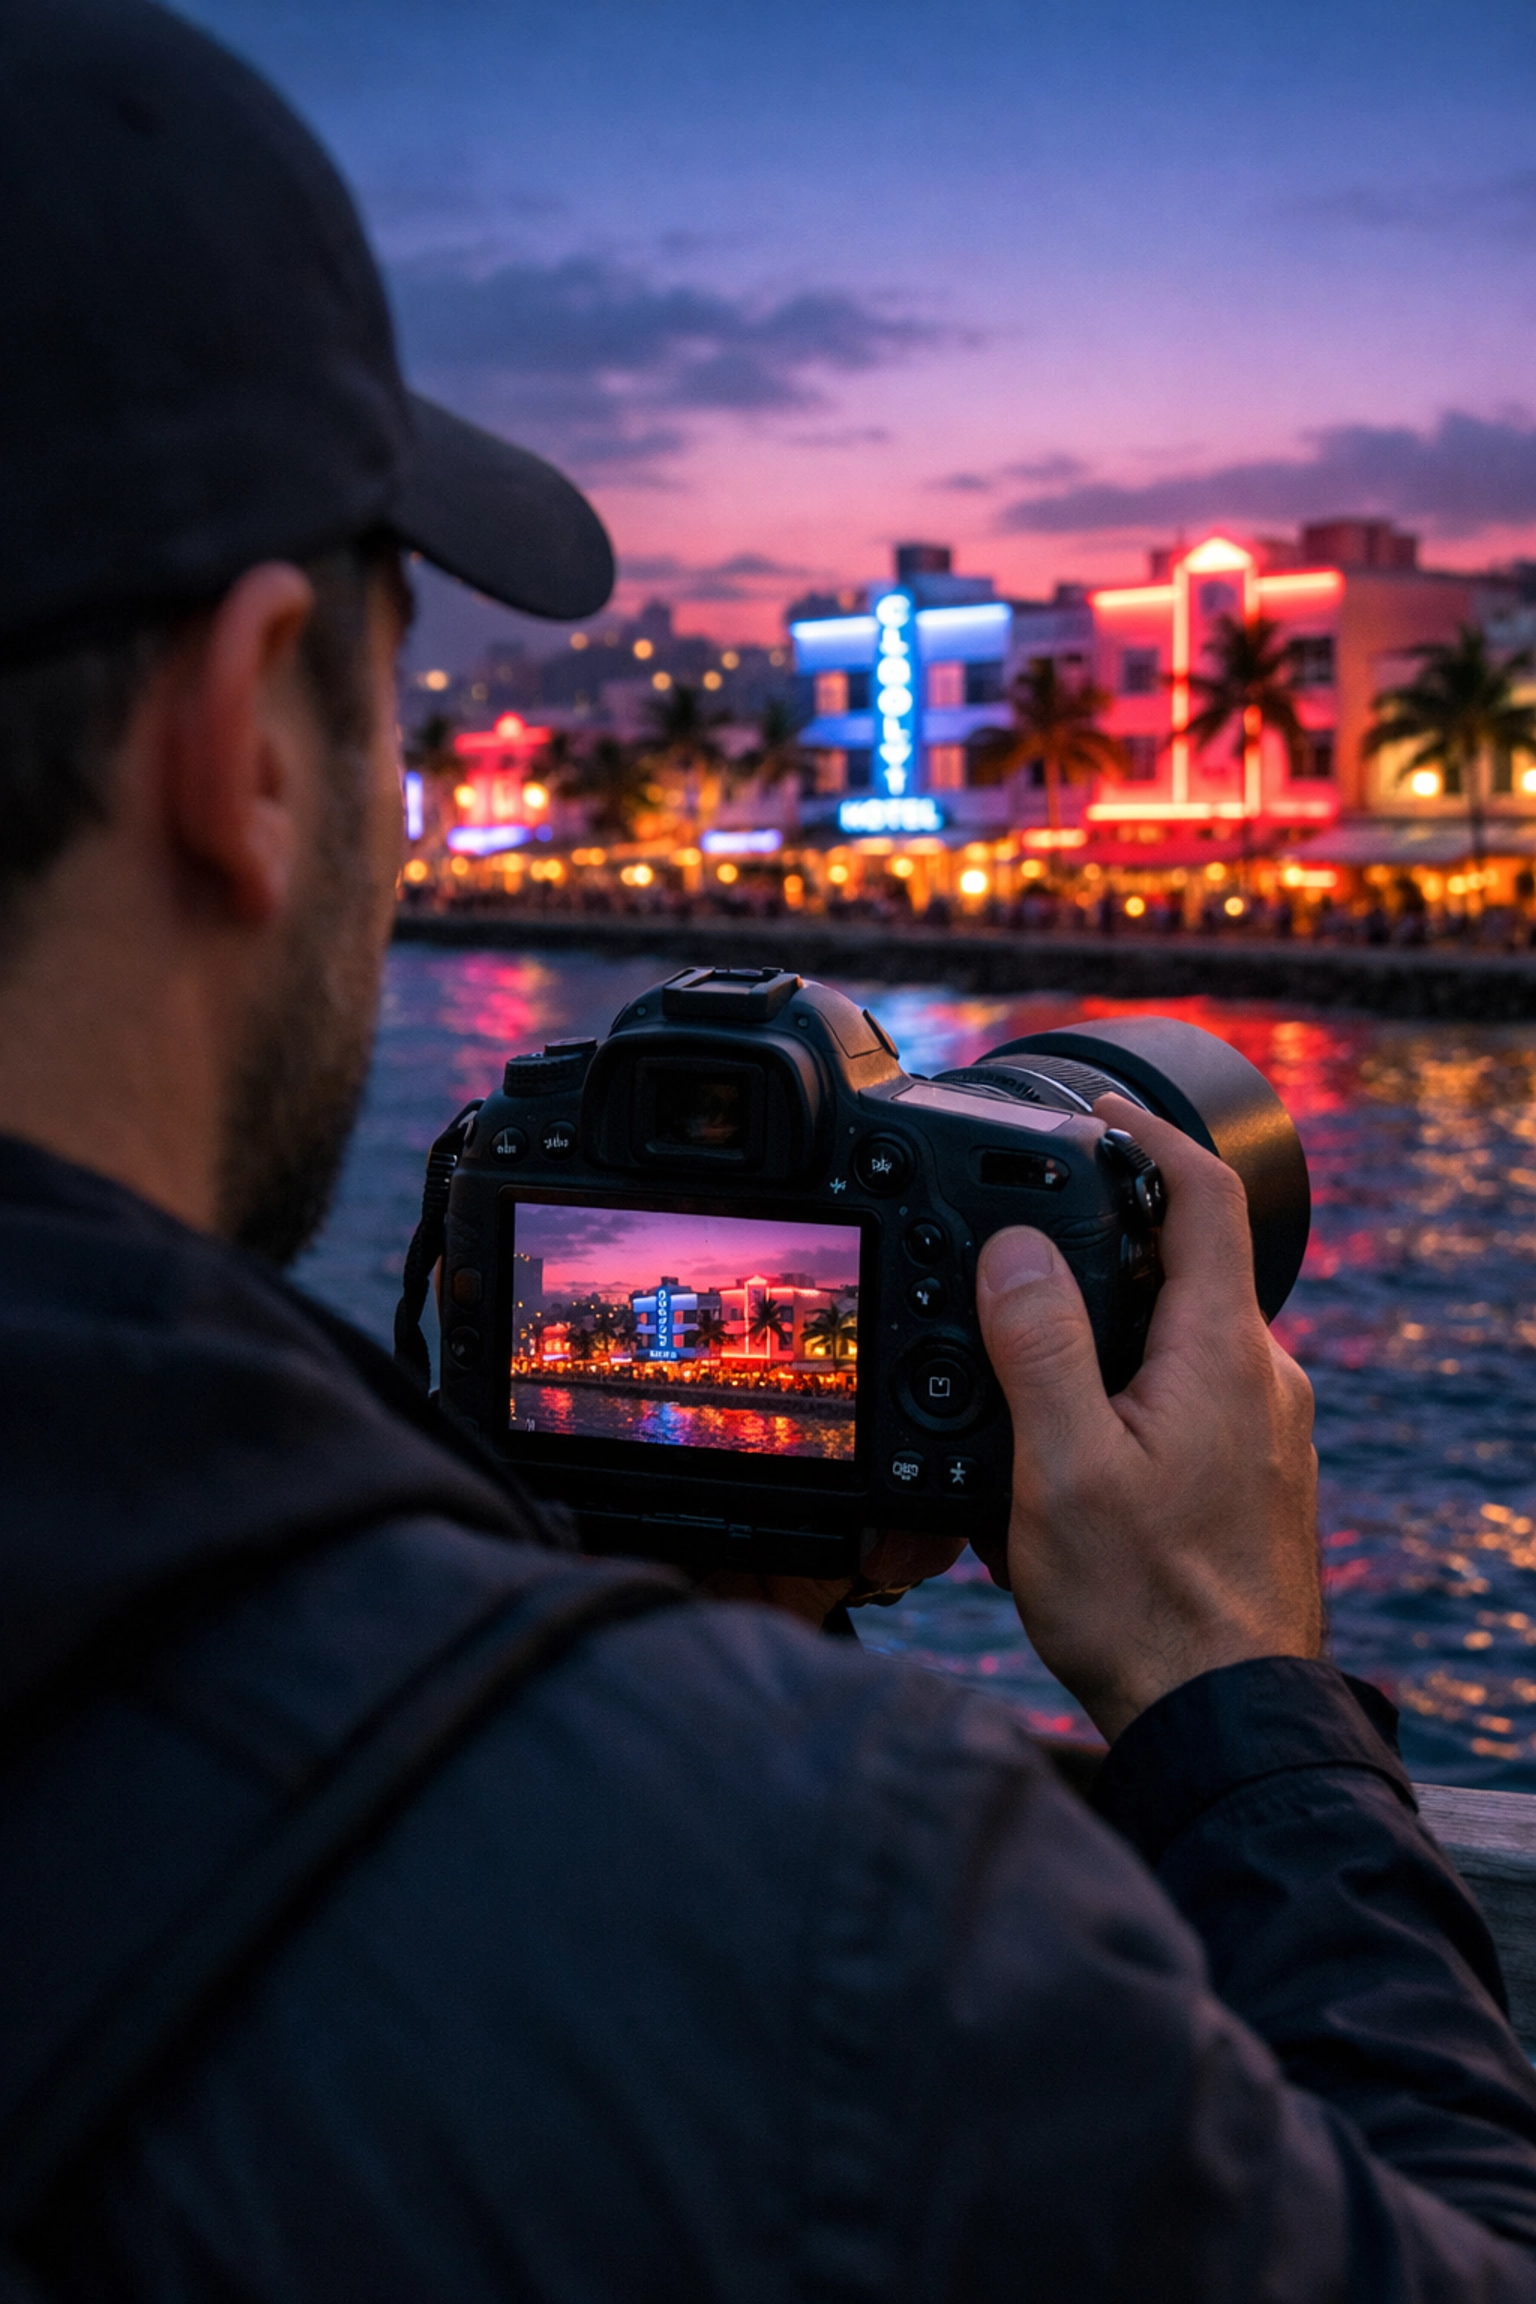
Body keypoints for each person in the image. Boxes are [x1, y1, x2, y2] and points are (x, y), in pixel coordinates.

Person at [0, 4, 1534, 2297]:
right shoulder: (825, 1913)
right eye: (391, 712)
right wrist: (1243, 1701)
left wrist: (530, 1583)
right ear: (254, 741)